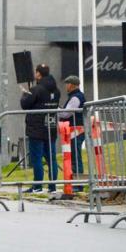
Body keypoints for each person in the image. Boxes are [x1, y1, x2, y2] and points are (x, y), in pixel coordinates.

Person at [20, 63, 61, 193]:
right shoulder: (56, 91)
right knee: (51, 158)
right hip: (51, 127)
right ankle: (52, 186)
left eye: (36, 72)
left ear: (38, 74)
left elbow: (25, 104)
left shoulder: (36, 89)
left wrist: (24, 94)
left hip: (36, 128)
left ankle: (38, 186)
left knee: (36, 158)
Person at [59, 75, 86, 192]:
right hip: (75, 131)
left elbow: (66, 114)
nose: (66, 86)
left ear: (73, 85)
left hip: (76, 131)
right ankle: (76, 183)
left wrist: (56, 109)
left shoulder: (75, 98)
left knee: (75, 156)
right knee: (75, 156)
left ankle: (78, 184)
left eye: (67, 83)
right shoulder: (75, 96)